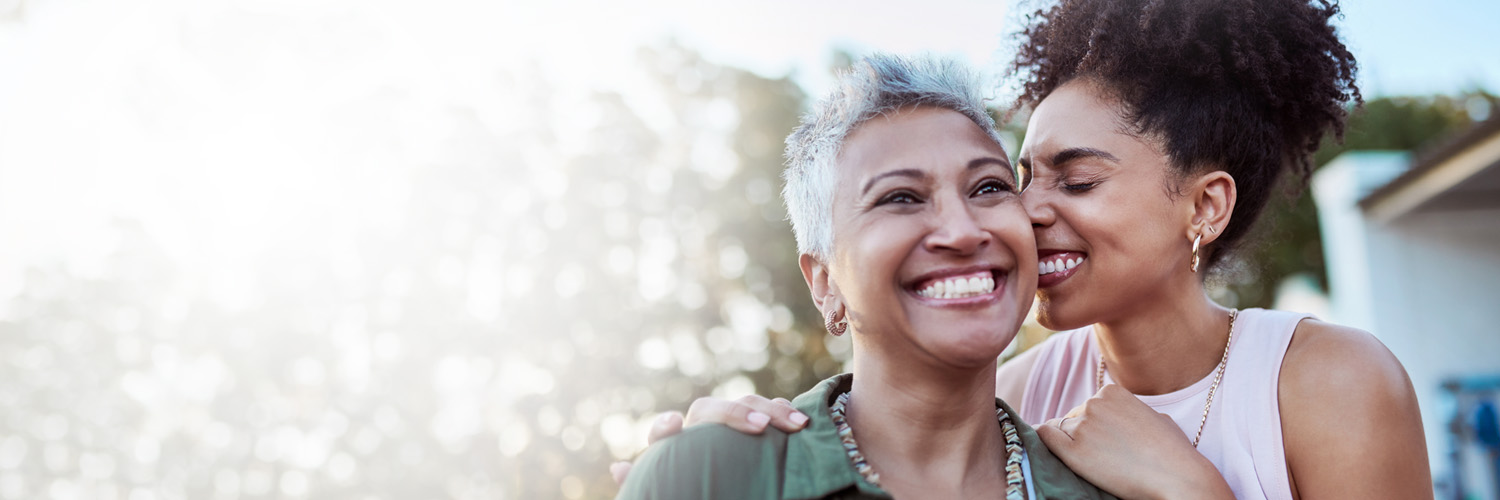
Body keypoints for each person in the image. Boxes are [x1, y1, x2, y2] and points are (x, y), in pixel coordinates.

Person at [616, 0, 1434, 498]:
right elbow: (884, 401)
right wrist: (718, 445)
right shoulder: (1022, 397)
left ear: (1205, 205)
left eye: (1076, 181)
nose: (1024, 213)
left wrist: (1193, 493)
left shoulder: (1331, 383)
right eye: (1020, 177)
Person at [617, 53, 1118, 499]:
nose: (963, 232)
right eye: (900, 198)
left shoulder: (1099, 487)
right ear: (824, 283)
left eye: (988, 187)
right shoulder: (711, 477)